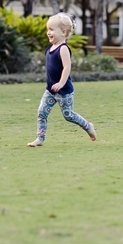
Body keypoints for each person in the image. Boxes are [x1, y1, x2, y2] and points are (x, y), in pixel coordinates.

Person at [27, 13, 97, 147]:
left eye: (52, 30)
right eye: (48, 29)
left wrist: (61, 83)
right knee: (41, 112)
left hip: (64, 91)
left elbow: (67, 68)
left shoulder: (63, 49)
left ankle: (88, 126)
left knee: (68, 115)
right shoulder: (50, 48)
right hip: (50, 90)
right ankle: (40, 138)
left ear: (64, 32)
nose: (48, 32)